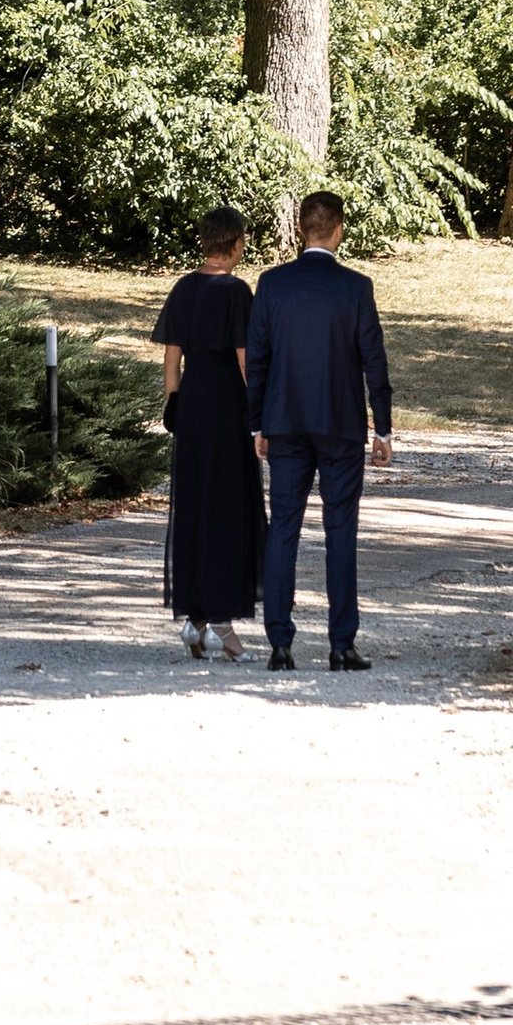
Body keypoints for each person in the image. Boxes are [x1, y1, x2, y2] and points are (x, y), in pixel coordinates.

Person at [245, 189, 393, 673]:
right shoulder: (355, 287)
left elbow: (259, 359)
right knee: (340, 530)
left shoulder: (271, 284)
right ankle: (341, 643)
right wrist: (383, 428)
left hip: (285, 423)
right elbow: (374, 359)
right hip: (340, 424)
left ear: (303, 228)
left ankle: (280, 644)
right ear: (338, 229)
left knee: (284, 527)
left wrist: (258, 424)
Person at [152, 207, 266, 659]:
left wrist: (174, 402)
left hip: (191, 405)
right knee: (227, 507)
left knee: (195, 504)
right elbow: (245, 360)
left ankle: (195, 619)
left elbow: (171, 358)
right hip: (225, 408)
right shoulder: (236, 291)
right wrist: (259, 412)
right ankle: (221, 622)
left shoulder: (183, 287)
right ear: (236, 243)